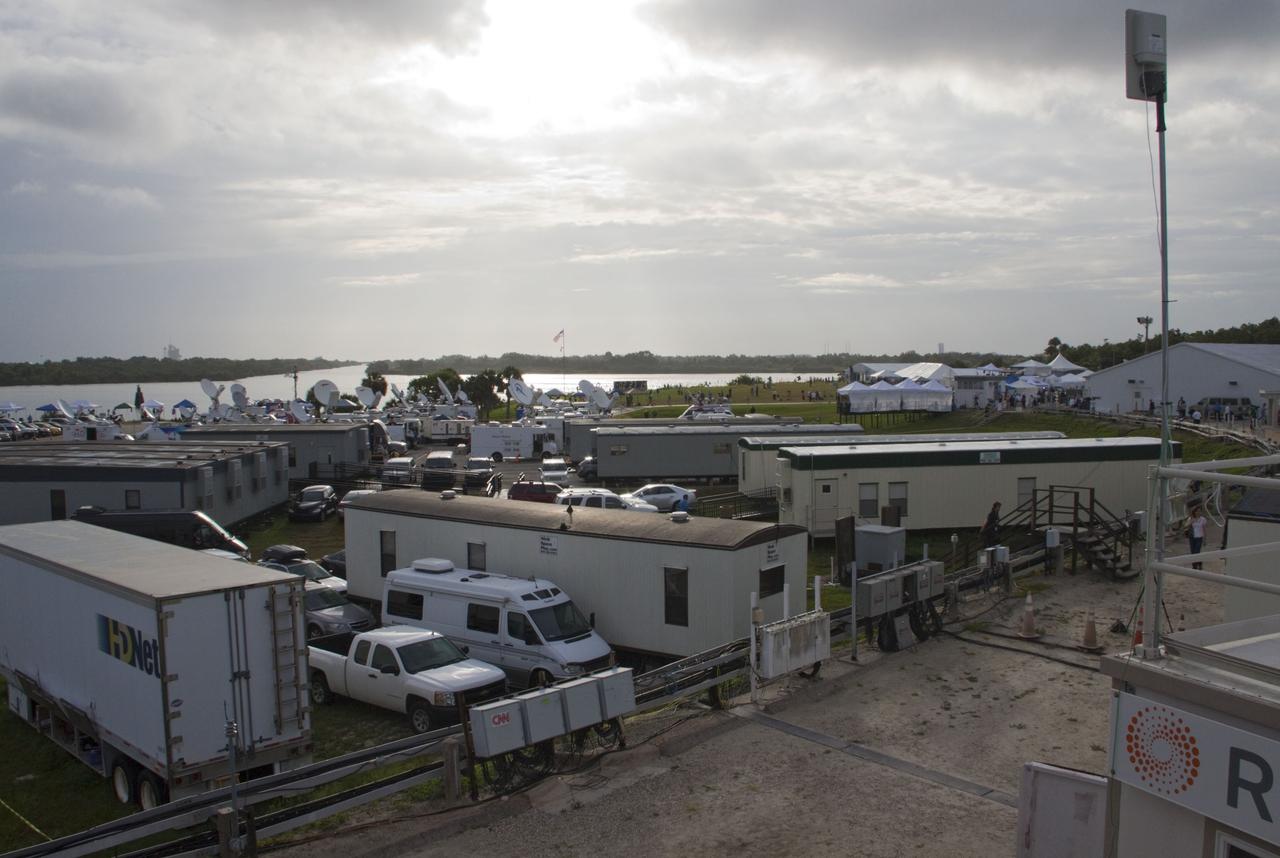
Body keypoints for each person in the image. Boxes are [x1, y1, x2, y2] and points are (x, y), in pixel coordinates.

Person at [1187, 505, 1208, 570]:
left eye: (1199, 511)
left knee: (1197, 551)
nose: (1198, 512)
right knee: (1193, 552)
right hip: (1192, 537)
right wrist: (1191, 522)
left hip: (1199, 538)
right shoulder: (1191, 518)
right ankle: (1194, 566)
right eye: (1197, 511)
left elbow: (1204, 530)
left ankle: (1198, 564)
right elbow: (1185, 526)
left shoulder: (1203, 519)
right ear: (1194, 512)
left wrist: (1204, 540)